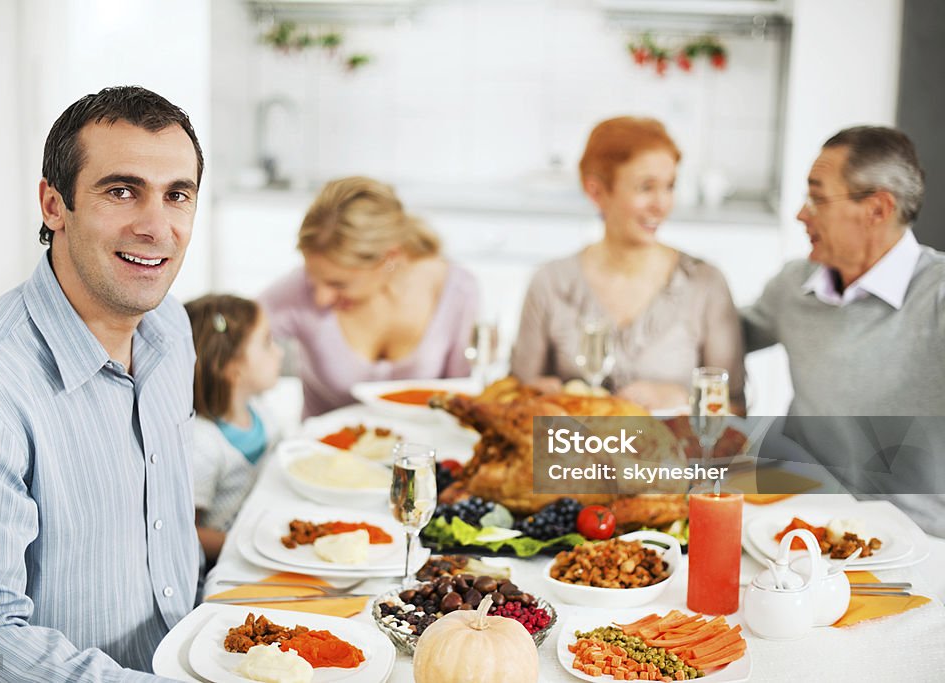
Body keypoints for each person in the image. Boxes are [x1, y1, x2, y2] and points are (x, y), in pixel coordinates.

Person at [0, 86, 204, 680]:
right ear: (54, 205)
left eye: (177, 195)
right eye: (122, 191)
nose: (157, 226)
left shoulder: (173, 328)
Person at [741, 125, 945, 536]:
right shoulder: (794, 283)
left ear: (877, 209)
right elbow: (720, 335)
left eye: (817, 198)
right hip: (795, 513)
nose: (801, 214)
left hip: (914, 535)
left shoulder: (937, 295)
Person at [510, 117, 746, 413]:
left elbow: (736, 407)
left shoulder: (705, 283)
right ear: (596, 192)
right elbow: (514, 397)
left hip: (674, 457)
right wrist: (539, 397)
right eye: (645, 188)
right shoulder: (550, 281)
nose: (662, 204)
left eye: (670, 186)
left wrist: (681, 399)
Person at [260, 176, 479, 418]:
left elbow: (462, 397)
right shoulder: (299, 290)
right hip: (322, 450)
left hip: (421, 453)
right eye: (313, 278)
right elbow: (226, 335)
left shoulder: (457, 289)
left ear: (389, 259)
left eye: (338, 283)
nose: (320, 298)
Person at [185, 294, 283, 565]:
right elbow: (184, 533)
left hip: (269, 538)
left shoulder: (260, 412)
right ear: (231, 368)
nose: (279, 352)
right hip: (234, 564)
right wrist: (249, 544)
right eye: (267, 343)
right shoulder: (203, 444)